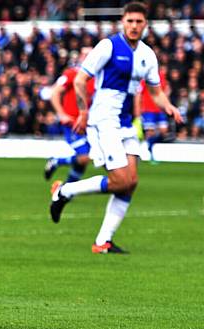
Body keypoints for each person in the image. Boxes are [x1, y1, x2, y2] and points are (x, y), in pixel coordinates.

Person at [49, 2, 183, 254]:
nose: (134, 26)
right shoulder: (108, 46)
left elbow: (155, 91)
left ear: (145, 24)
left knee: (130, 183)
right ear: (123, 21)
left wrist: (169, 107)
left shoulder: (147, 55)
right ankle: (64, 191)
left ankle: (102, 242)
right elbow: (80, 79)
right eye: (130, 21)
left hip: (126, 125)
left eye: (139, 22)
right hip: (104, 121)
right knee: (120, 180)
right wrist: (84, 110)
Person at [44, 47, 95, 183]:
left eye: (90, 55)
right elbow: (54, 93)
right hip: (72, 123)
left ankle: (67, 190)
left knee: (85, 160)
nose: (86, 57)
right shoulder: (72, 73)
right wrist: (61, 114)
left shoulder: (96, 78)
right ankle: (57, 161)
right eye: (84, 55)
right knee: (85, 156)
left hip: (89, 124)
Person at [138, 67, 169, 162]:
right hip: (148, 109)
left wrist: (167, 105)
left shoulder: (162, 76)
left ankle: (148, 145)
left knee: (164, 131)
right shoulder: (145, 77)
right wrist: (138, 109)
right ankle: (149, 153)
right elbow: (139, 93)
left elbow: (165, 92)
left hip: (160, 109)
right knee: (150, 132)